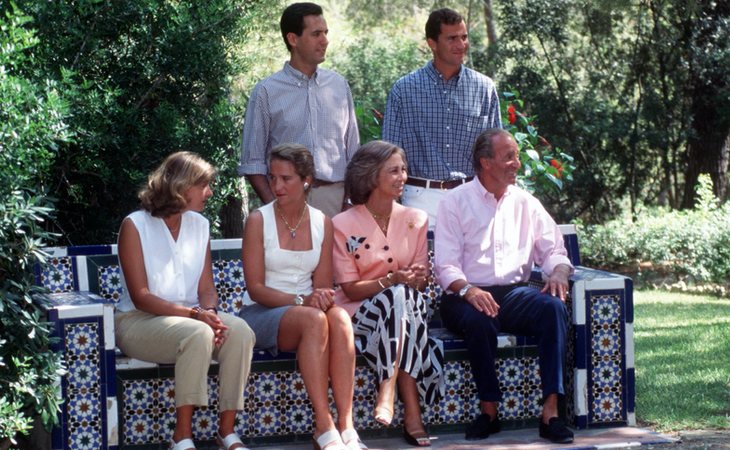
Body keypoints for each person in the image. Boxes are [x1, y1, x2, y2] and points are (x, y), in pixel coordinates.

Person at [434, 129, 575, 444]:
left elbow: (554, 250)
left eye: (517, 156)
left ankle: (551, 413)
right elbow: (445, 265)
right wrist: (469, 290)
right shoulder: (455, 202)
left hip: (513, 294)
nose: (517, 163)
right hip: (463, 295)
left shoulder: (525, 202)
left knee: (553, 307)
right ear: (486, 162)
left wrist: (559, 273)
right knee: (478, 320)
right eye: (509, 156)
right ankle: (489, 411)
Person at [115, 152, 255, 450]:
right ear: (181, 186)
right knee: (197, 332)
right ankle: (182, 436)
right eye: (204, 184)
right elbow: (141, 297)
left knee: (239, 331)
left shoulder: (200, 225)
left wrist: (212, 314)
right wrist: (196, 316)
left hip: (191, 318)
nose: (210, 192)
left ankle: (227, 432)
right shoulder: (134, 225)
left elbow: (206, 287)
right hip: (138, 322)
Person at [239, 144, 364, 450]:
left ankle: (347, 426)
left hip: (306, 314)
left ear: (307, 180)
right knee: (314, 319)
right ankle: (323, 425)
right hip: (260, 312)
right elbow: (255, 288)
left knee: (340, 319)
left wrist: (319, 300)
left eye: (286, 178)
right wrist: (302, 301)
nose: (276, 186)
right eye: (273, 178)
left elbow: (321, 286)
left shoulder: (323, 221)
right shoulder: (258, 220)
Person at [332, 141, 444, 447]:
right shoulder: (341, 224)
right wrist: (392, 280)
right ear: (371, 176)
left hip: (408, 309)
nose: (403, 176)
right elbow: (350, 289)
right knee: (398, 297)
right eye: (394, 170)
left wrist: (416, 279)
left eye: (404, 169)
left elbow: (420, 285)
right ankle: (410, 410)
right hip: (361, 315)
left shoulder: (416, 218)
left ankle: (388, 387)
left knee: (403, 299)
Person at [382, 8, 502, 227]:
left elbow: (496, 152)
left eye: (464, 37)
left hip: (472, 197)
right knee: (422, 262)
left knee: (476, 263)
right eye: (452, 38)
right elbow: (390, 154)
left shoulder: (485, 89)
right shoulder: (404, 90)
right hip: (419, 199)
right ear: (432, 43)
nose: (461, 44)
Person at [238, 2, 359, 217]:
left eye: (325, 33)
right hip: (286, 199)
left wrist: (349, 202)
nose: (325, 40)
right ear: (293, 39)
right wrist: (275, 207)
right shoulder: (266, 92)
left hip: (335, 200)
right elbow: (253, 163)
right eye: (316, 34)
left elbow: (353, 153)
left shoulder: (339, 86)